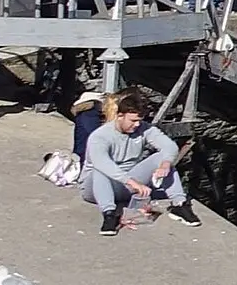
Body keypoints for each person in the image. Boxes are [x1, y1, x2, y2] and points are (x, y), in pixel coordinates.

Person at [83, 89, 193, 231]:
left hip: (128, 184)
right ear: (120, 116)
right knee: (100, 169)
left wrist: (166, 164)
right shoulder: (100, 136)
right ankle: (109, 214)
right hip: (97, 188)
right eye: (133, 121)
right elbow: (102, 163)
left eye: (139, 121)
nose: (136, 125)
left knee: (162, 158)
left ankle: (179, 204)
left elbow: (170, 146)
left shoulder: (143, 129)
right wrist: (132, 182)